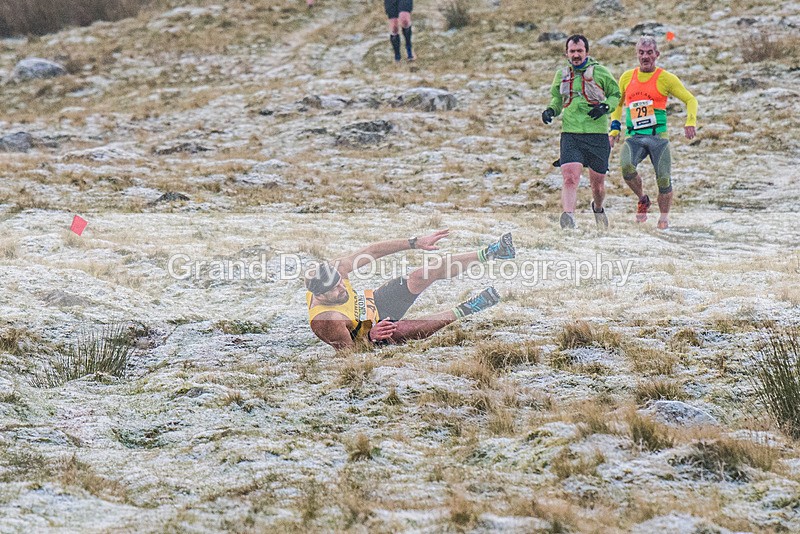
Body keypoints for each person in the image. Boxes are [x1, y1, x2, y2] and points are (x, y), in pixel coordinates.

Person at [305, 230, 515, 351]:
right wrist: (369, 337)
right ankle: (469, 308)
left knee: (418, 276)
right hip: (371, 331)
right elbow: (348, 356)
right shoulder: (325, 321)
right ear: (320, 296)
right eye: (335, 290)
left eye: (341, 283)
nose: (342, 288)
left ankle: (492, 252)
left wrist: (414, 243)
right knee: (399, 330)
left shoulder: (335, 270)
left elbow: (371, 251)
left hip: (373, 303)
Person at [609, 36, 698, 230]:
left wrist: (690, 121)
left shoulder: (665, 78)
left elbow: (690, 99)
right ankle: (643, 199)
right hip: (635, 137)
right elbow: (617, 103)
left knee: (664, 180)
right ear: (637, 55)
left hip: (659, 138)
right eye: (641, 53)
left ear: (657, 54)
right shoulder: (627, 77)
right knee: (626, 168)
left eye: (649, 52)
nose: (645, 56)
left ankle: (663, 218)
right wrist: (614, 128)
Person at [541, 35, 620, 230]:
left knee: (598, 186)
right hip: (571, 133)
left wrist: (605, 107)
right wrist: (551, 110)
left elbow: (616, 94)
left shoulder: (600, 72)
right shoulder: (562, 75)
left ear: (587, 52)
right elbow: (557, 99)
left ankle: (598, 208)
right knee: (570, 177)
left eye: (579, 51)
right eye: (572, 51)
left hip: (597, 135)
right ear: (566, 53)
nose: (576, 55)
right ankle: (568, 218)